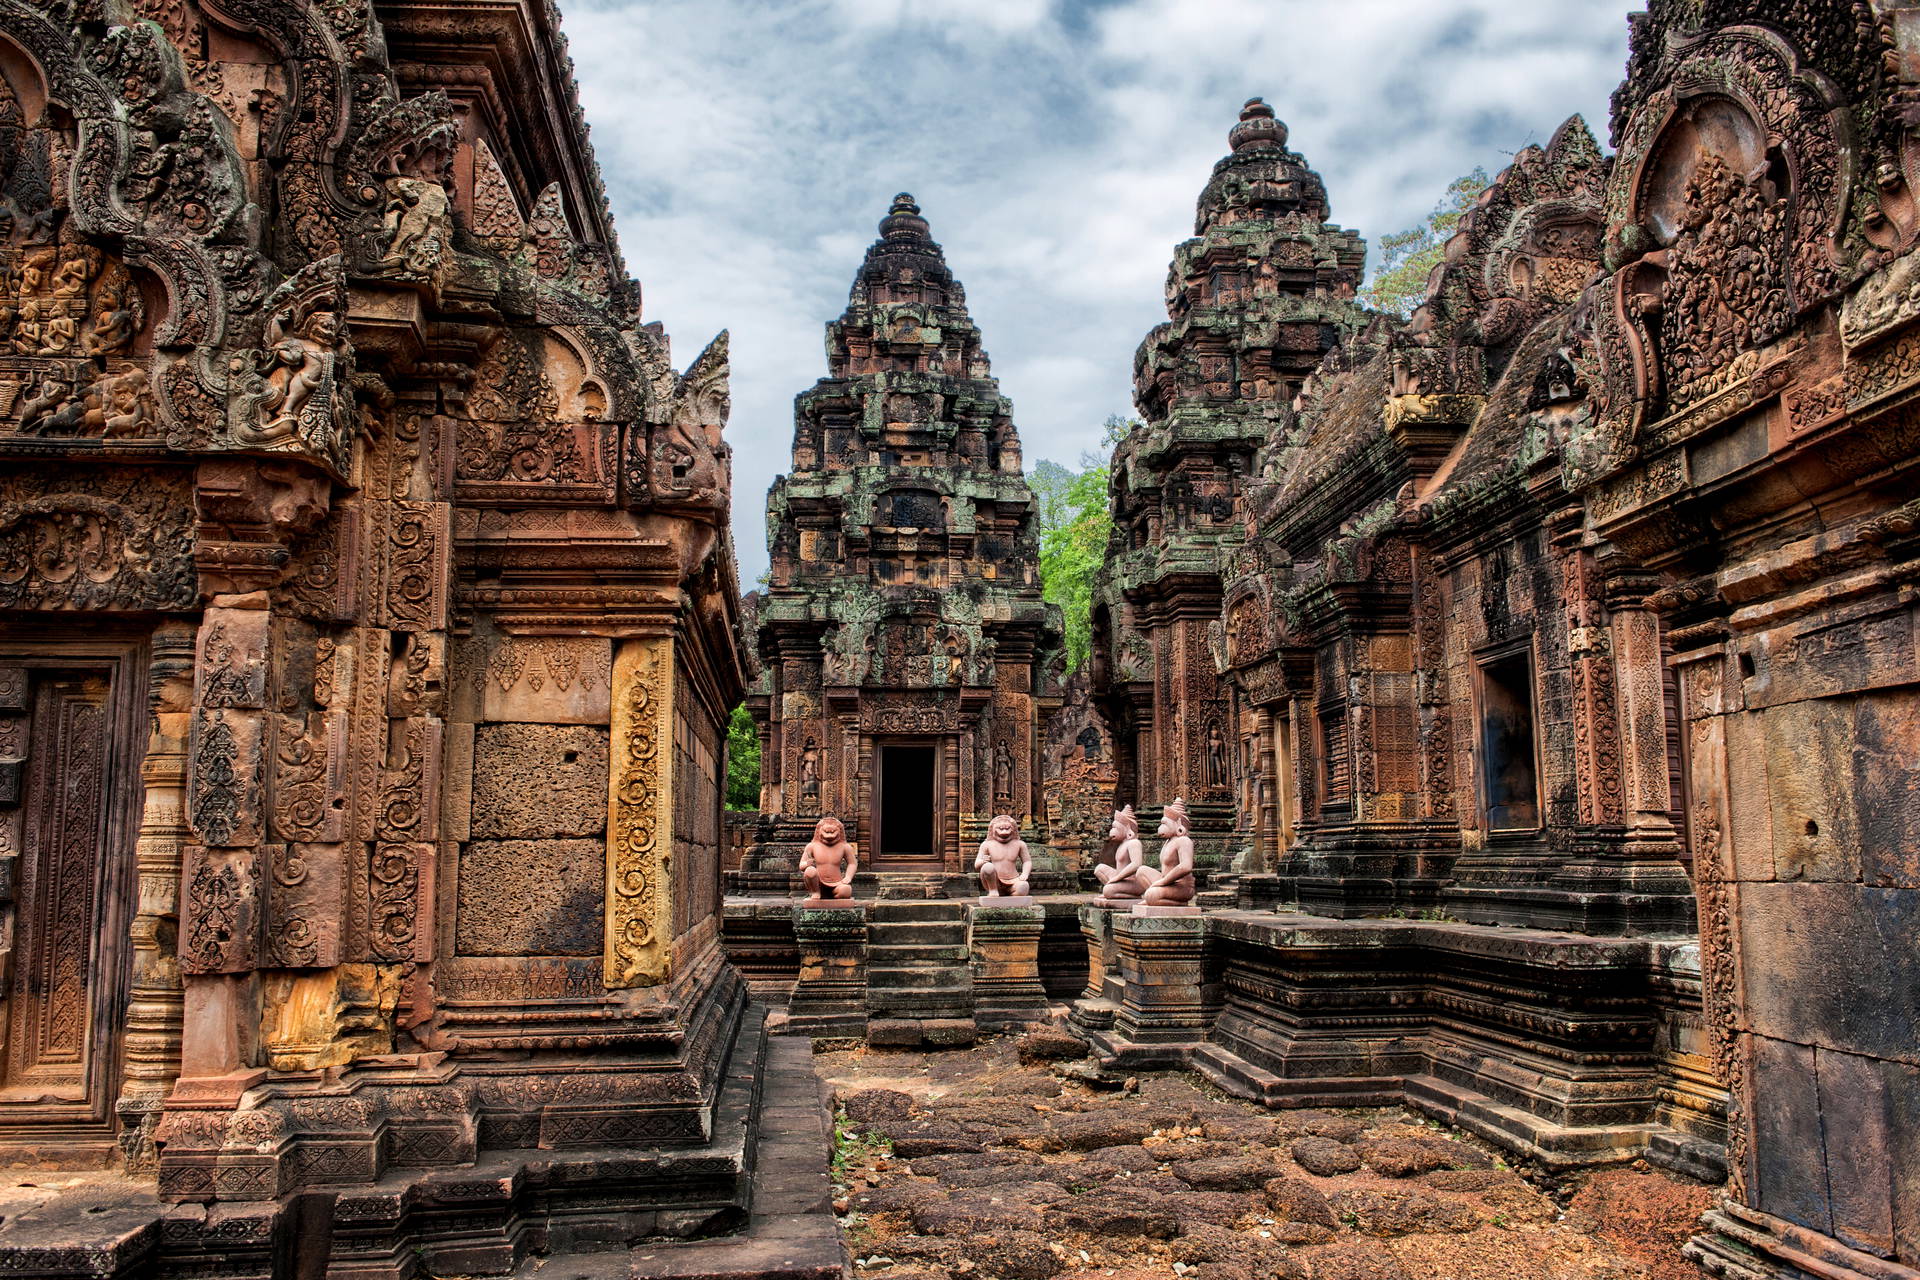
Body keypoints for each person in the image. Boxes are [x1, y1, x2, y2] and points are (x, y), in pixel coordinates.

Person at [1143, 798, 1196, 907]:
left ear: (1179, 826)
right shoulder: (1168, 842)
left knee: (1151, 895)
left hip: (1182, 887)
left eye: (1165, 824)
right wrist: (1163, 882)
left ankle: (1178, 902)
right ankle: (1154, 898)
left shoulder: (1184, 841)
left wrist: (1162, 882)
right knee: (1141, 871)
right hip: (1168, 883)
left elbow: (1186, 866)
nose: (1161, 828)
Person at [1096, 805, 1150, 902]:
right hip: (1121, 880)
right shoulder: (1121, 845)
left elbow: (1136, 864)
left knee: (1108, 890)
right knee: (1099, 869)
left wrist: (1117, 878)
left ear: (1127, 828)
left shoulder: (1134, 843)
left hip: (1133, 883)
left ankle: (1128, 895)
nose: (1112, 831)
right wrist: (1117, 878)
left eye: (1115, 827)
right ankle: (1114, 891)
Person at [800, 814, 857, 901]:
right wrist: (807, 864)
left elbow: (852, 863)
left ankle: (832, 895)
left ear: (840, 831)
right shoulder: (812, 846)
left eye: (833, 832)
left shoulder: (845, 847)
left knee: (846, 891)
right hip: (818, 883)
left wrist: (848, 877)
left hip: (837, 883)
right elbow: (801, 865)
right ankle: (816, 893)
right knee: (810, 871)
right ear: (819, 831)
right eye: (826, 832)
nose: (829, 835)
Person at [975, 814, 1032, 898]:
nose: (1004, 832)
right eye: (1001, 829)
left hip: (1014, 880)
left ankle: (1010, 897)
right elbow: (977, 864)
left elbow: (1027, 861)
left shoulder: (1020, 844)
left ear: (1014, 829)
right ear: (992, 829)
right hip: (994, 881)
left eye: (1007, 828)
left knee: (1024, 887)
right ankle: (993, 890)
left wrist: (1025, 874)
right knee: (987, 867)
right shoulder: (986, 844)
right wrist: (983, 861)